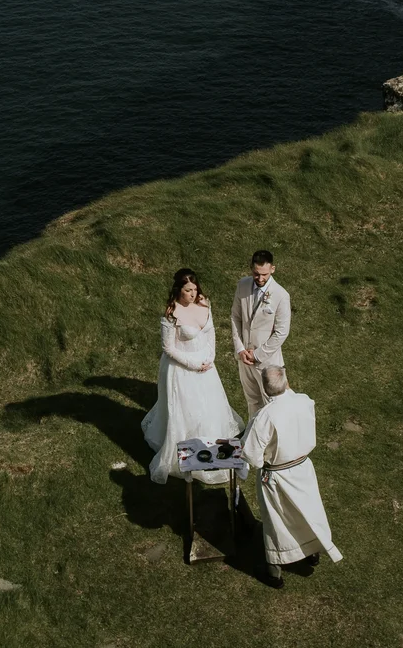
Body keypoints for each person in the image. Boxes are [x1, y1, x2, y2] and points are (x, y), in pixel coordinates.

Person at [139, 268, 242, 486]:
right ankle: (188, 448)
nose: (193, 294)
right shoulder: (171, 313)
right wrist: (193, 364)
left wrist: (211, 357)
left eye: (194, 289)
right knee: (187, 409)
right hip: (182, 368)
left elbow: (211, 331)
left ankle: (211, 443)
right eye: (188, 290)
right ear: (179, 290)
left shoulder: (204, 303)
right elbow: (168, 348)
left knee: (209, 405)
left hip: (206, 365)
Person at [241, 365, 341, 582]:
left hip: (277, 476)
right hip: (303, 469)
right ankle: (312, 552)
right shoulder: (304, 401)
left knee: (277, 521)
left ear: (265, 390)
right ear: (286, 382)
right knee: (307, 512)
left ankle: (274, 571)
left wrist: (262, 462)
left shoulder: (264, 417)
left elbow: (251, 455)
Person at [231, 249, 291, 418]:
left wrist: (257, 354)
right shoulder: (242, 285)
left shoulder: (281, 295)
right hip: (244, 358)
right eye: (256, 274)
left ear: (272, 269)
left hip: (267, 361)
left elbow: (281, 332)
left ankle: (274, 443)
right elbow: (235, 317)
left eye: (264, 274)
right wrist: (240, 349)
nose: (260, 278)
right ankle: (253, 438)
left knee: (272, 405)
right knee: (252, 401)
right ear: (251, 268)